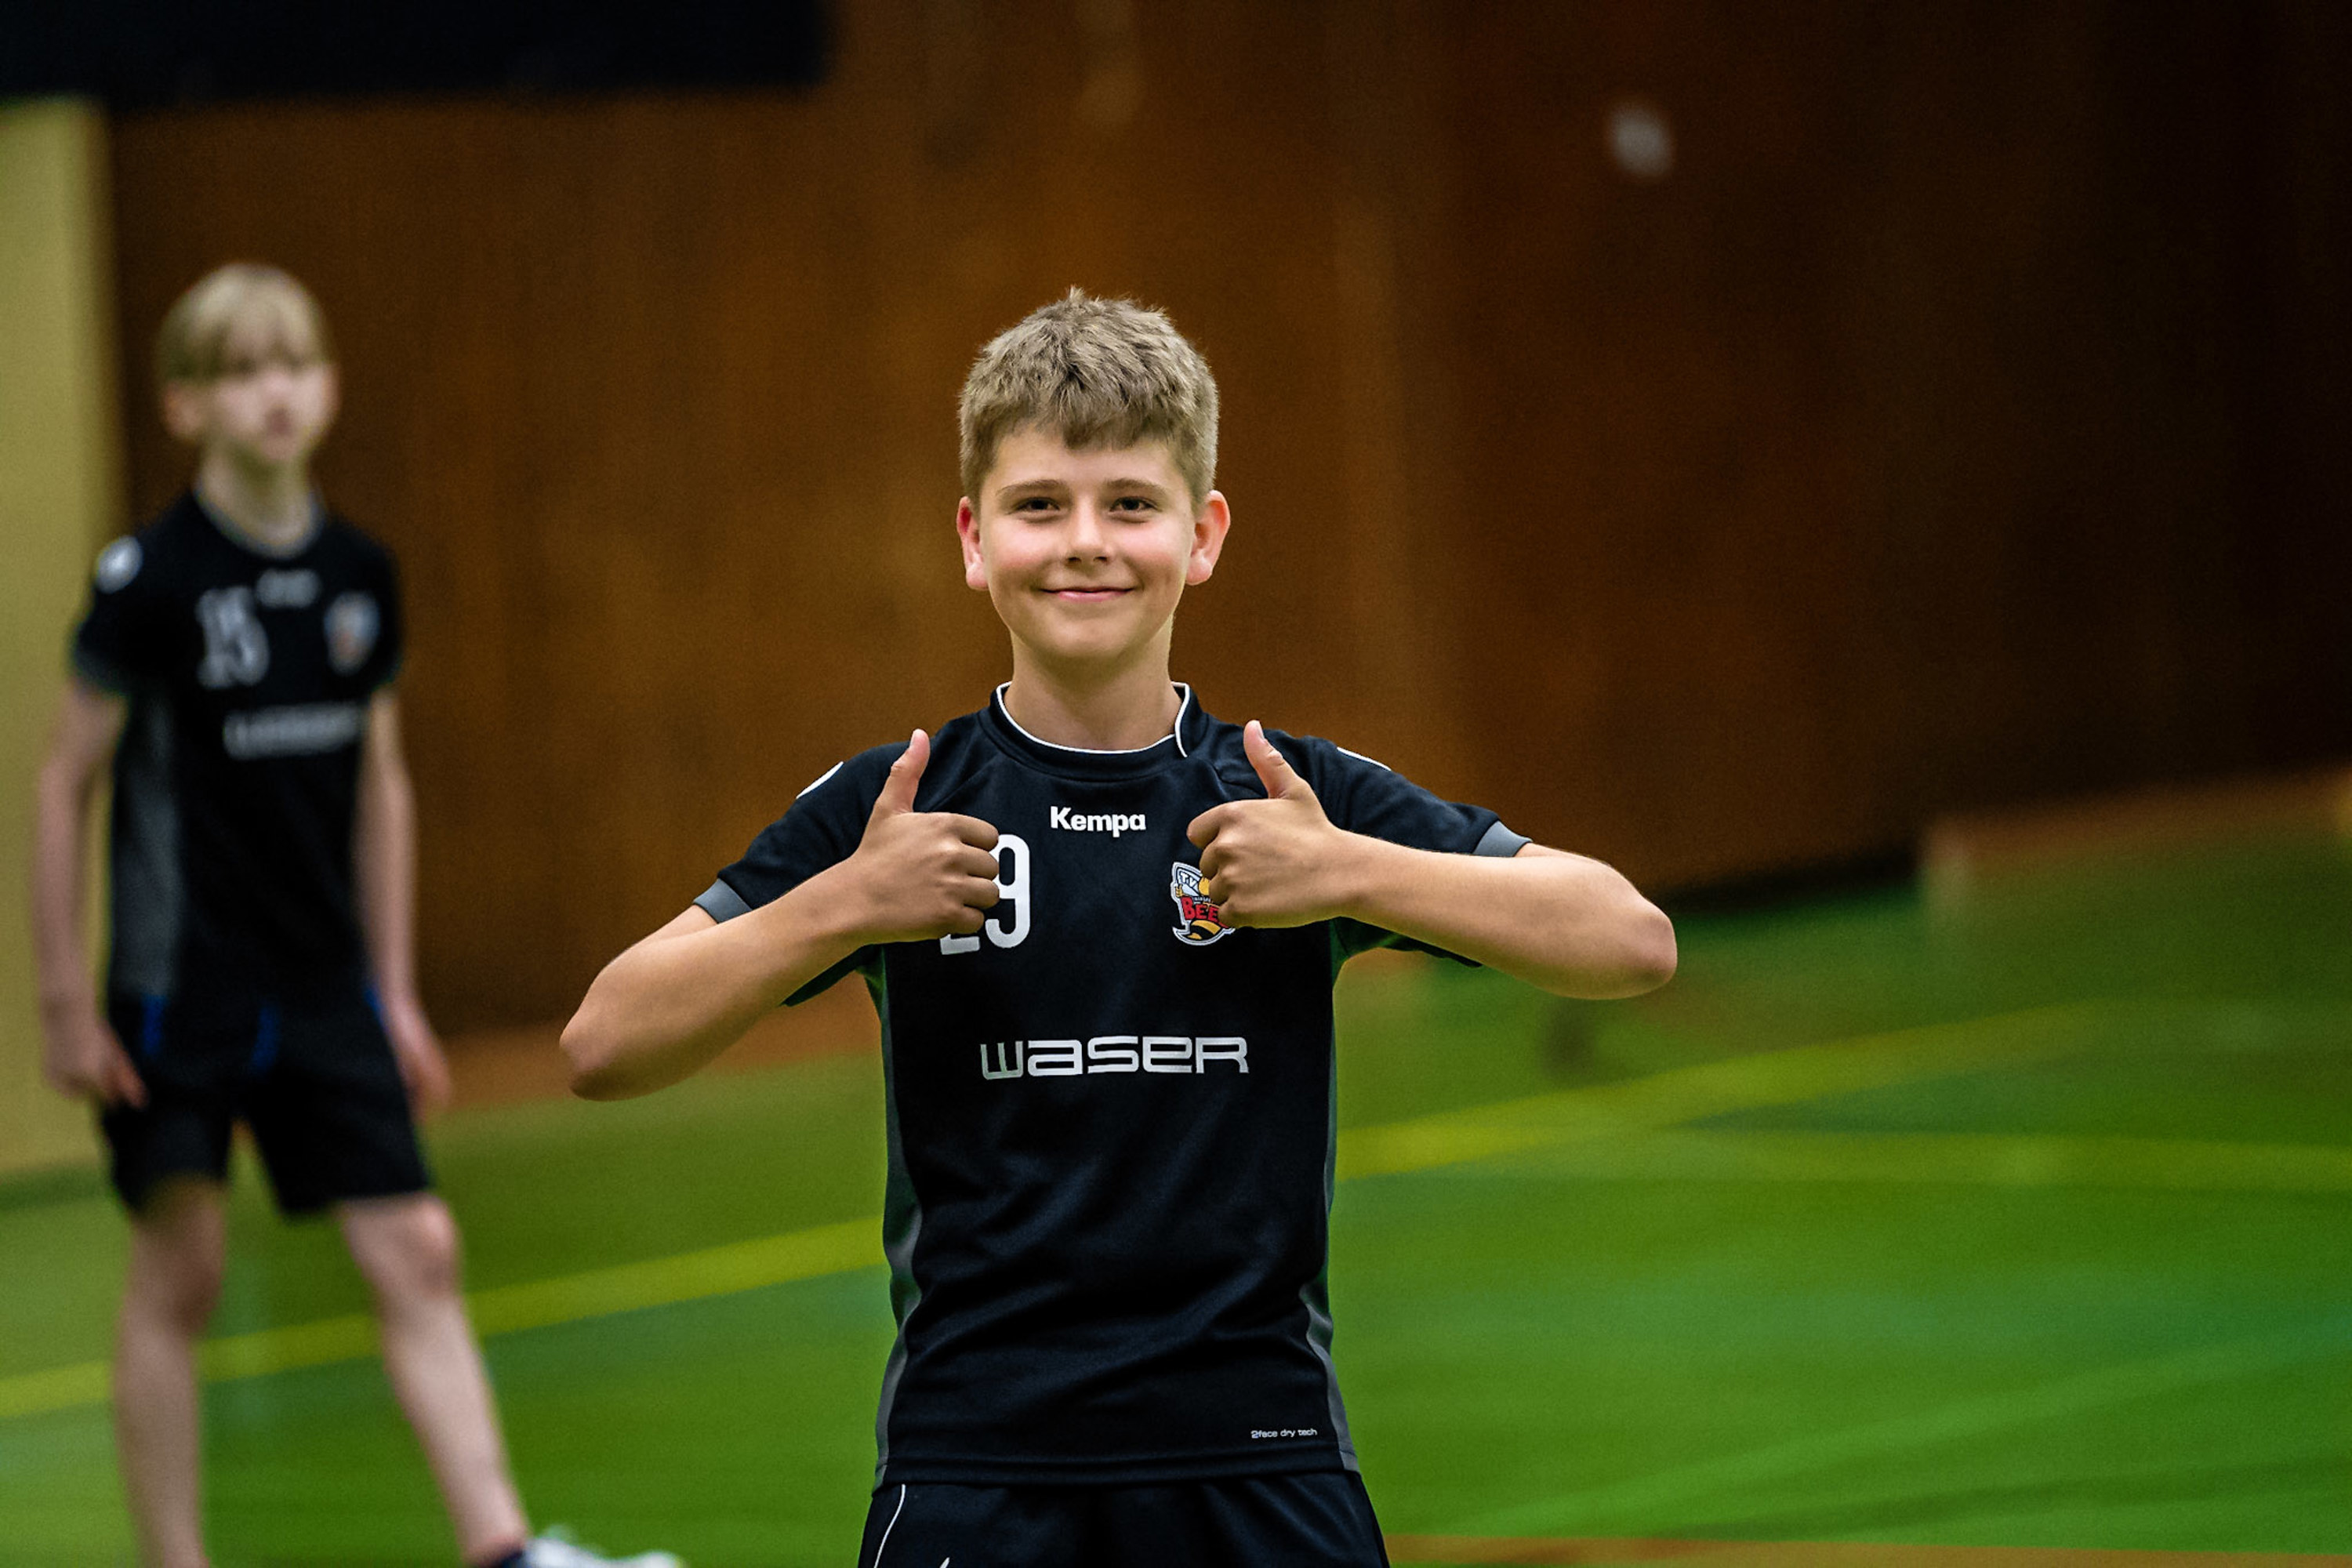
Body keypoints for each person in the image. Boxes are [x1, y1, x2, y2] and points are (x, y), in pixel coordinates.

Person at [561, 289, 1678, 1566]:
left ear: (1203, 536)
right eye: (1040, 506)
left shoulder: (1290, 798)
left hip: (1263, 1455)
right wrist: (842, 906)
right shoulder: (901, 807)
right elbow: (603, 1043)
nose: (1085, 543)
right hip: (974, 1461)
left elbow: (1629, 940)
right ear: (974, 538)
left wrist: (1351, 872)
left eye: (1131, 505)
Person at [30, 263, 677, 1568]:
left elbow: (381, 783)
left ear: (326, 388)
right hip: (181, 985)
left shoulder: (358, 575)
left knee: (419, 1248)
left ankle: (503, 1549)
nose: (272, 393)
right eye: (238, 371)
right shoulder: (148, 580)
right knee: (183, 1271)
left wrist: (394, 990)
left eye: (293, 364)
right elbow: (65, 782)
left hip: (324, 982)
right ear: (184, 405)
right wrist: (61, 998)